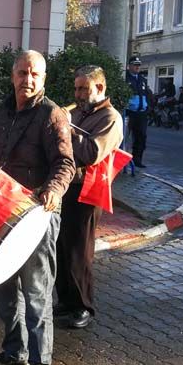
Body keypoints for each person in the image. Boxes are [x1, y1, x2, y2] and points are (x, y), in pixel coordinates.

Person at [0, 50, 75, 365]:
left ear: (43, 79)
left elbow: (65, 164)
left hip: (37, 216)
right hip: (2, 212)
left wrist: (53, 190)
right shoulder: (2, 112)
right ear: (13, 75)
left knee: (36, 292)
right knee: (1, 286)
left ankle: (40, 361)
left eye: (34, 74)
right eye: (22, 73)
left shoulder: (52, 115)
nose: (27, 80)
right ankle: (14, 352)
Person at [55, 66, 124, 329]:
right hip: (67, 185)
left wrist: (65, 128)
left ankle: (83, 305)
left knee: (79, 250)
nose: (79, 94)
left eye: (84, 88)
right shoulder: (78, 113)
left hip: (88, 189)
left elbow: (91, 152)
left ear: (100, 88)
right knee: (61, 246)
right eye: (77, 88)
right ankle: (66, 300)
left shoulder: (111, 118)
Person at [125, 56, 151, 168]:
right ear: (129, 66)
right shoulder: (125, 78)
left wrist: (148, 107)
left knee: (141, 136)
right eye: (135, 65)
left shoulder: (142, 79)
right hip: (129, 112)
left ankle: (137, 159)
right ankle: (121, 161)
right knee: (124, 137)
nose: (137, 67)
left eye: (138, 65)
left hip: (141, 113)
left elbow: (148, 95)